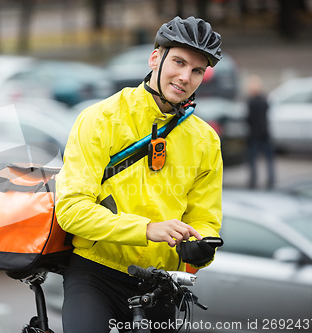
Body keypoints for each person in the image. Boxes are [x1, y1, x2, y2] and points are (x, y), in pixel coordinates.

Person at [55, 16, 224, 333]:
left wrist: (200, 247)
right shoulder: (100, 118)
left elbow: (205, 218)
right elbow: (71, 210)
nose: (185, 76)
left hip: (160, 283)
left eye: (197, 70)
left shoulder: (206, 140)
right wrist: (147, 229)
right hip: (96, 273)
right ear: (154, 58)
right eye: (178, 62)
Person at [246, 74, 275, 189]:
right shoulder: (265, 101)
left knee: (253, 160)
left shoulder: (251, 102)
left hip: (254, 135)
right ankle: (271, 180)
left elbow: (249, 118)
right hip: (265, 134)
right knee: (269, 159)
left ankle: (253, 181)